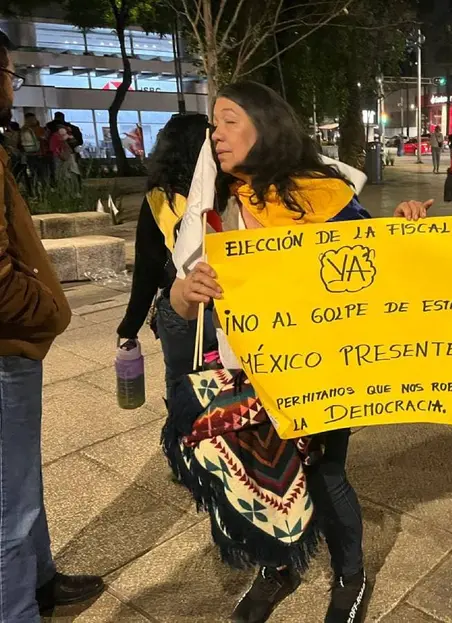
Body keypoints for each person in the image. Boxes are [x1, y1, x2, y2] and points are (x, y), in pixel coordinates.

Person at [169, 81, 429, 623]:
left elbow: (371, 270)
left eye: (229, 120)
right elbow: (179, 291)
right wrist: (186, 291)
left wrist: (408, 232)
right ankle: (277, 567)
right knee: (262, 478)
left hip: (320, 373)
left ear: (266, 124)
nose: (215, 134)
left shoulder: (323, 195)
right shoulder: (216, 201)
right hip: (245, 373)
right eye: (213, 124)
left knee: (326, 477)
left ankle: (350, 577)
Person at [0, 28, 105, 622]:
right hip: (7, 344)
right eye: (9, 73)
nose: (13, 86)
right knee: (9, 506)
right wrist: (52, 310)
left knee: (23, 479)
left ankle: (40, 582)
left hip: (16, 348)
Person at [117, 113, 220, 401]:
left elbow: (147, 268)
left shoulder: (160, 200)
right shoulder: (228, 192)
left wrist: (130, 325)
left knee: (183, 387)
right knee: (229, 388)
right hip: (227, 303)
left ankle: (186, 440)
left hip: (180, 306)